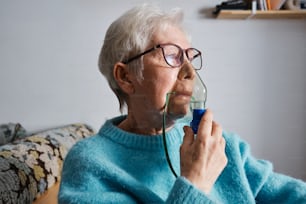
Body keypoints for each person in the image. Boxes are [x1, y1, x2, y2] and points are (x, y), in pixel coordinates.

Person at [58, 4, 306, 203]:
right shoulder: (91, 165)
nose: (190, 71)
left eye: (190, 56)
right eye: (172, 55)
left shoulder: (220, 146)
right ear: (126, 77)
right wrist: (196, 181)